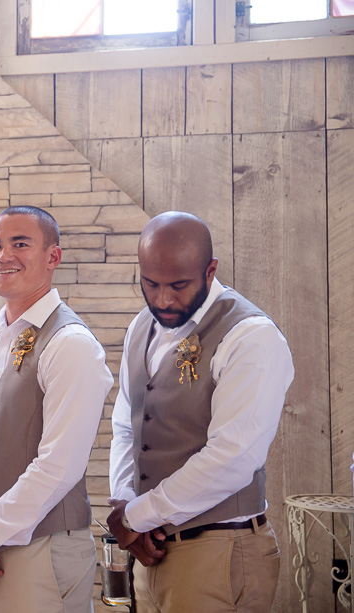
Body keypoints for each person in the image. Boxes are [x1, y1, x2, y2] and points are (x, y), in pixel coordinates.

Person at [107, 211, 294, 612]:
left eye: (178, 285)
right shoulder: (142, 325)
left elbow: (233, 458)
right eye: (150, 284)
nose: (163, 299)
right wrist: (126, 502)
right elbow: (127, 424)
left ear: (210, 271)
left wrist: (137, 516)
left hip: (220, 552)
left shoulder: (251, 337)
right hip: (151, 551)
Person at [0, 205, 114, 613]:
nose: (4, 256)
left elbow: (58, 467)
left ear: (52, 257)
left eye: (20, 244)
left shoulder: (70, 343)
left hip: (44, 551)